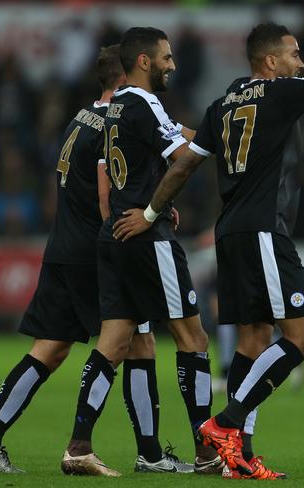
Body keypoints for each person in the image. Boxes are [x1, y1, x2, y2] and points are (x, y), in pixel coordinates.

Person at [121, 16, 304, 479]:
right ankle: (224, 425)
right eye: (294, 54)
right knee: (303, 336)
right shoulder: (282, 91)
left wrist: (151, 213)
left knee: (253, 341)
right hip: (264, 232)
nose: (300, 61)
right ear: (271, 61)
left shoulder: (223, 103)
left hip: (229, 233)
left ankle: (240, 457)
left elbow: (182, 167)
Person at [0, 45, 179, 475]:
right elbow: (105, 194)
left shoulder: (82, 118)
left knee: (50, 349)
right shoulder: (116, 122)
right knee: (137, 343)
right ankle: (143, 453)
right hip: (96, 250)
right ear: (127, 78)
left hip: (62, 245)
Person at [61, 27, 222, 476]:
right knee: (194, 339)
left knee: (116, 342)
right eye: (167, 57)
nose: (173, 64)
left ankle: (79, 447)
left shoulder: (115, 107)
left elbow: (168, 140)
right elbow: (184, 157)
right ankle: (208, 452)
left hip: (114, 234)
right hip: (145, 237)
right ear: (145, 62)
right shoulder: (145, 102)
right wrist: (153, 210)